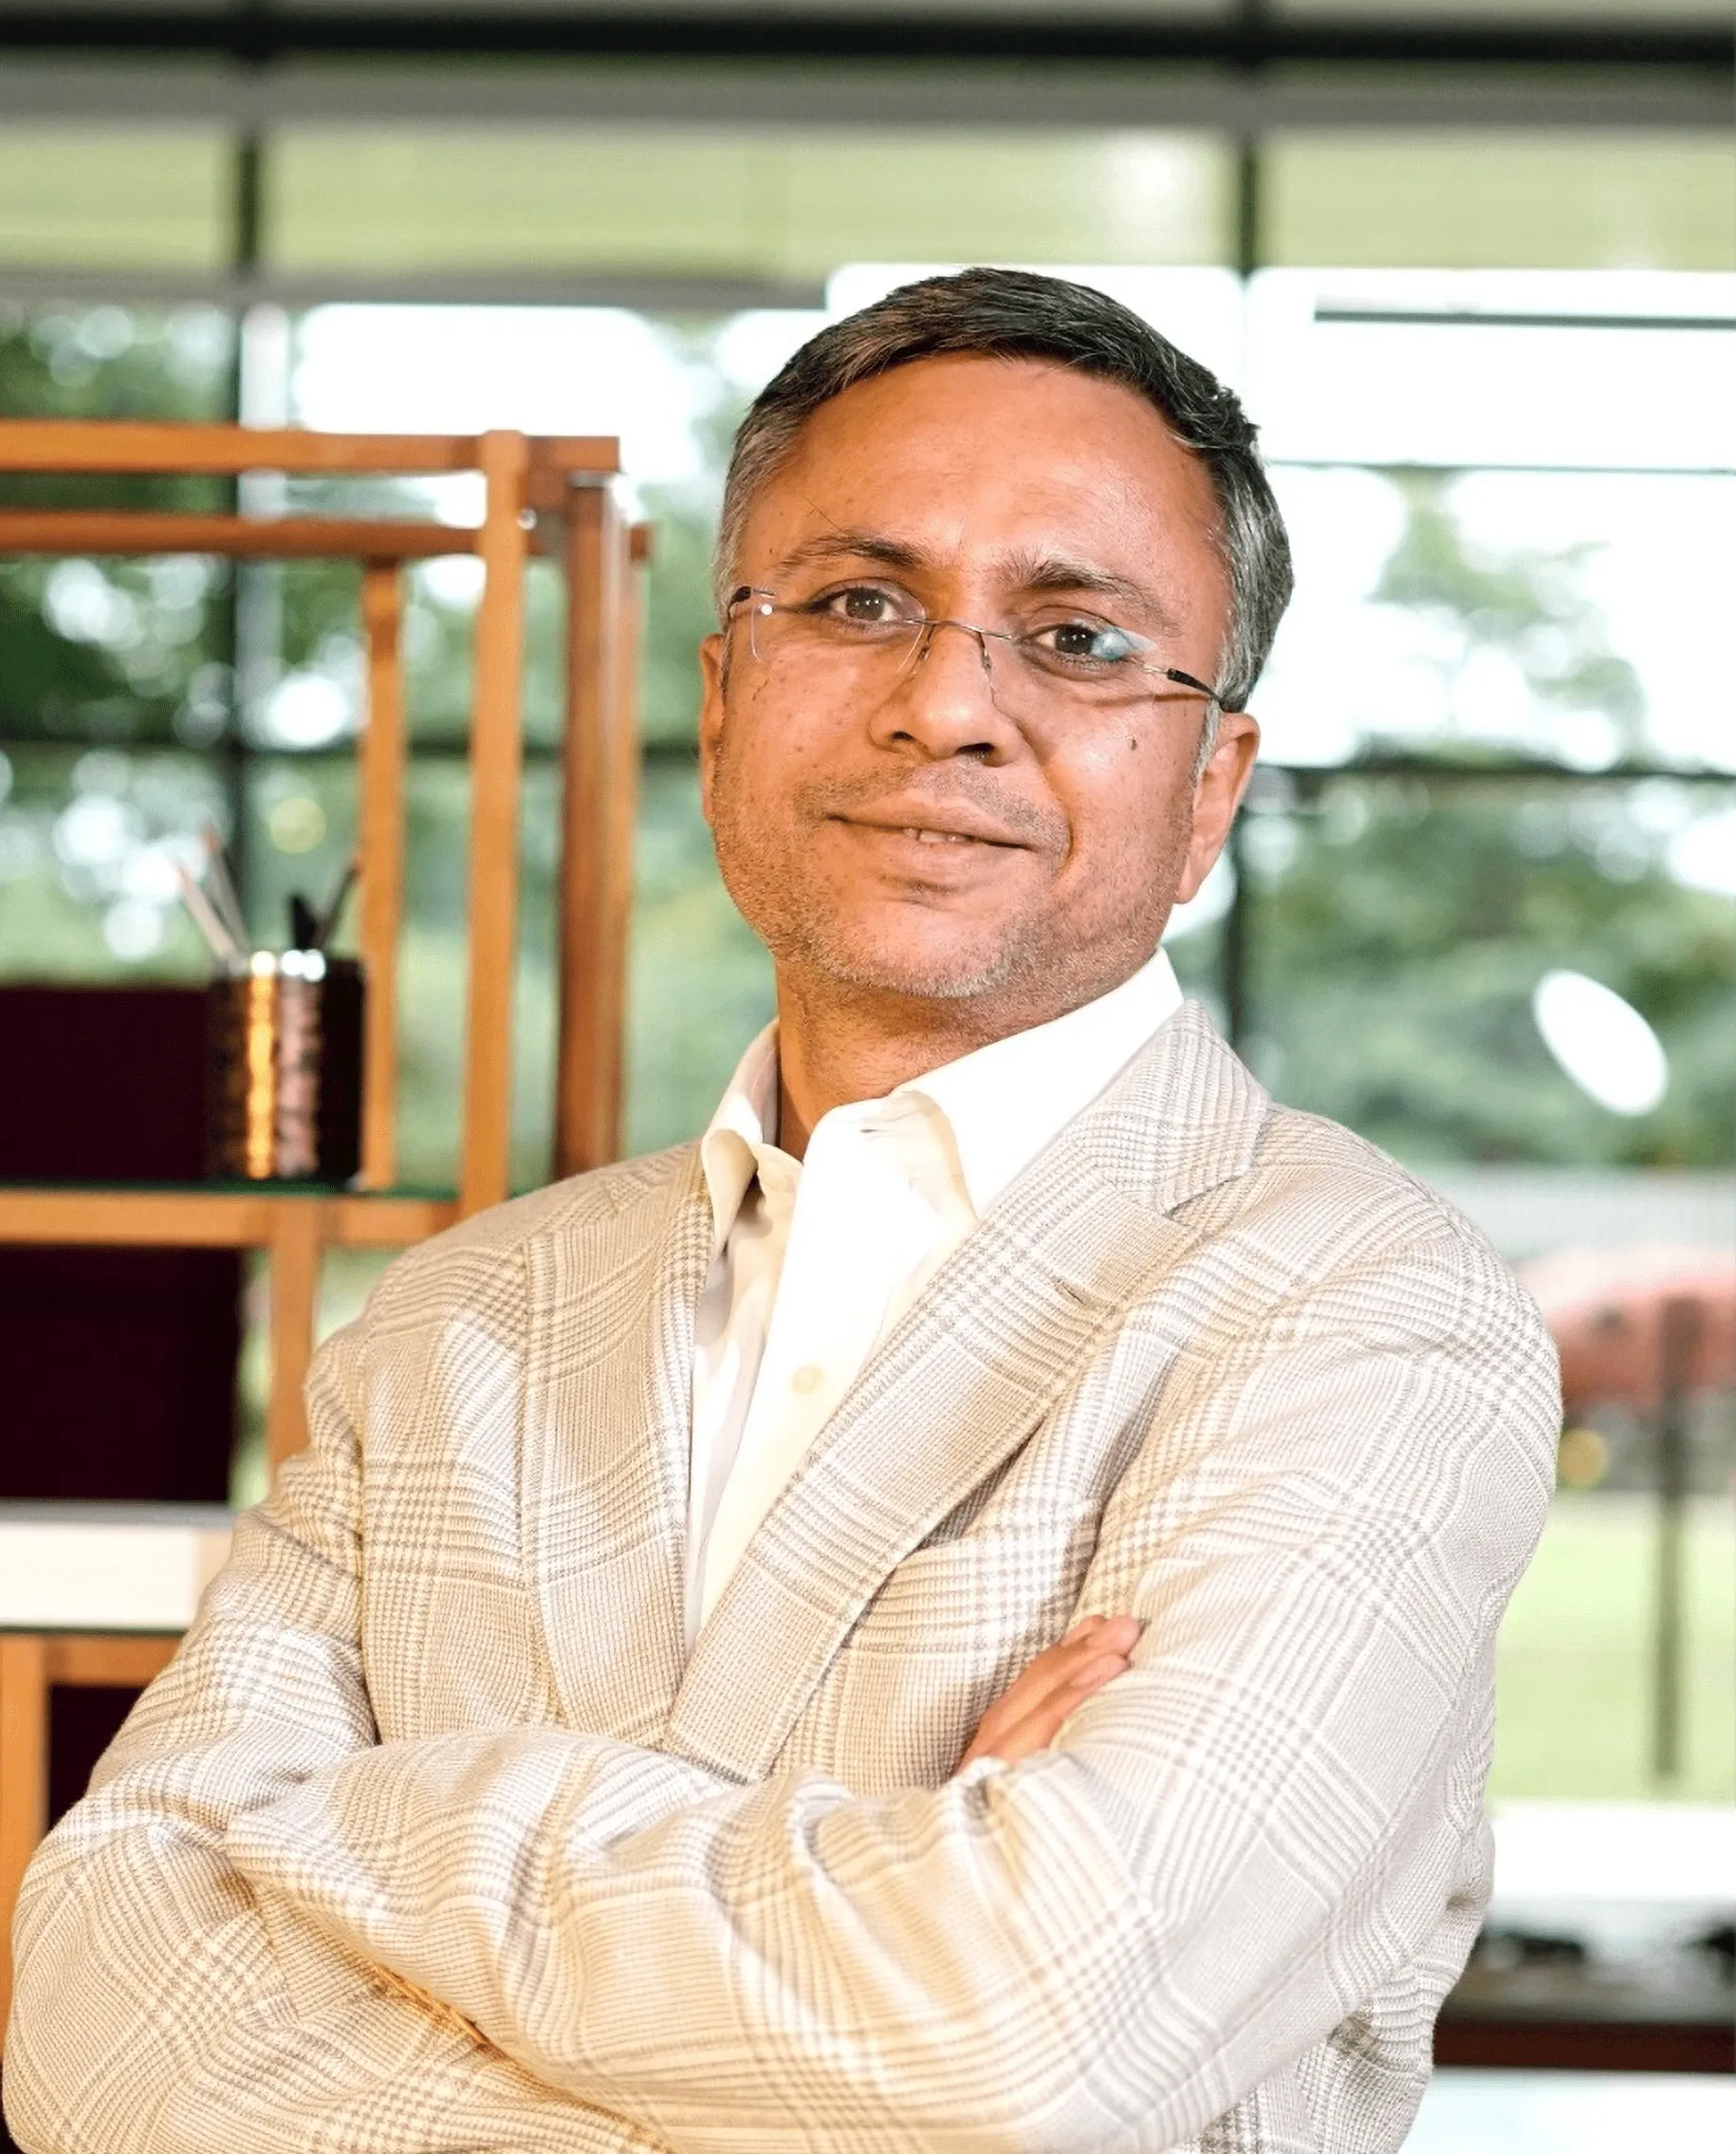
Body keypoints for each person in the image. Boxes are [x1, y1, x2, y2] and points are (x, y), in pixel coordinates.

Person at [5, 269, 1559, 2154]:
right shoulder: (456, 1323)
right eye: (859, 602)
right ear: (727, 691)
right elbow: (95, 2022)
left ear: (1212, 777)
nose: (948, 707)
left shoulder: (1366, 1317)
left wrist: (355, 1827)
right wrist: (864, 1922)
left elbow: (1016, 2034)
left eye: (1074, 637)